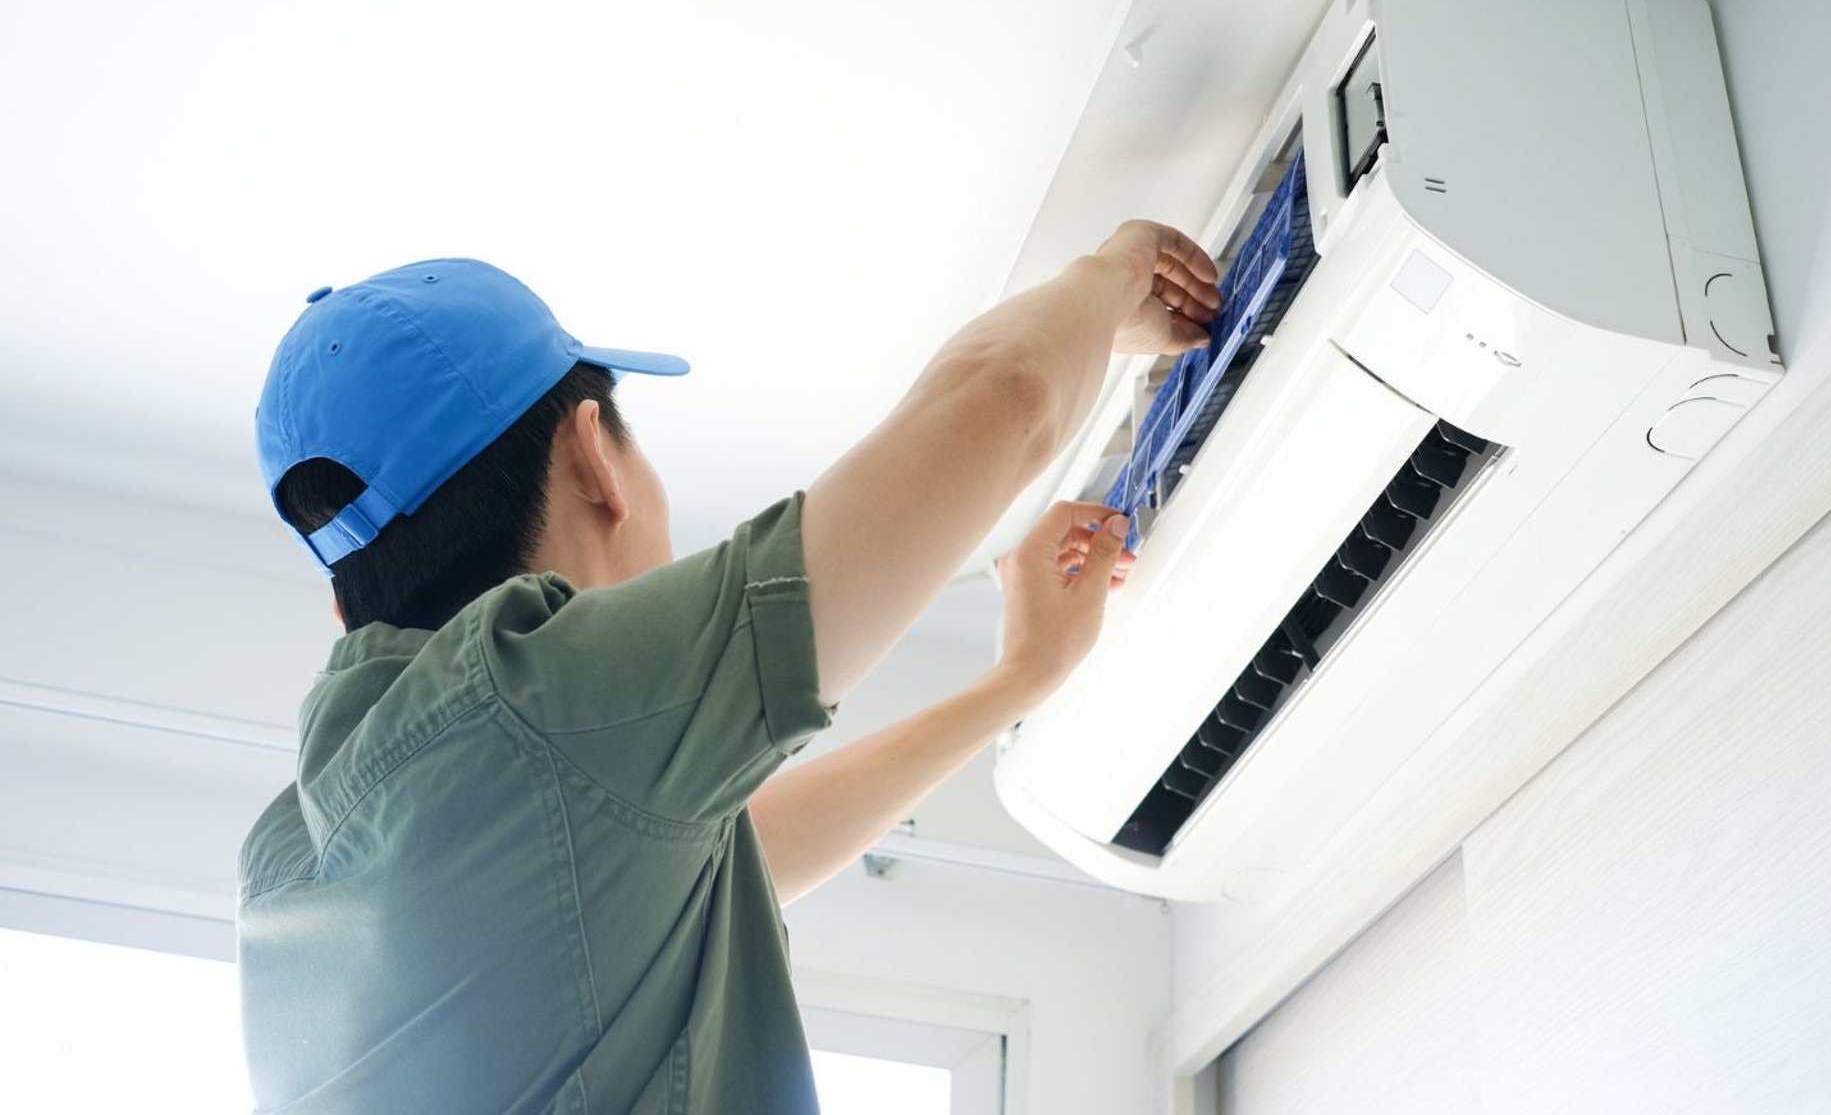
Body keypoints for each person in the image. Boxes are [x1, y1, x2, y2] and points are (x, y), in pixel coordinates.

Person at [237, 222, 1219, 1113]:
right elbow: (1002, 401)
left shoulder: (296, 862)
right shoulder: (538, 702)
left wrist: (1016, 681)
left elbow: (721, 844)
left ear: (345, 599)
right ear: (595, 460)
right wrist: (1112, 276)